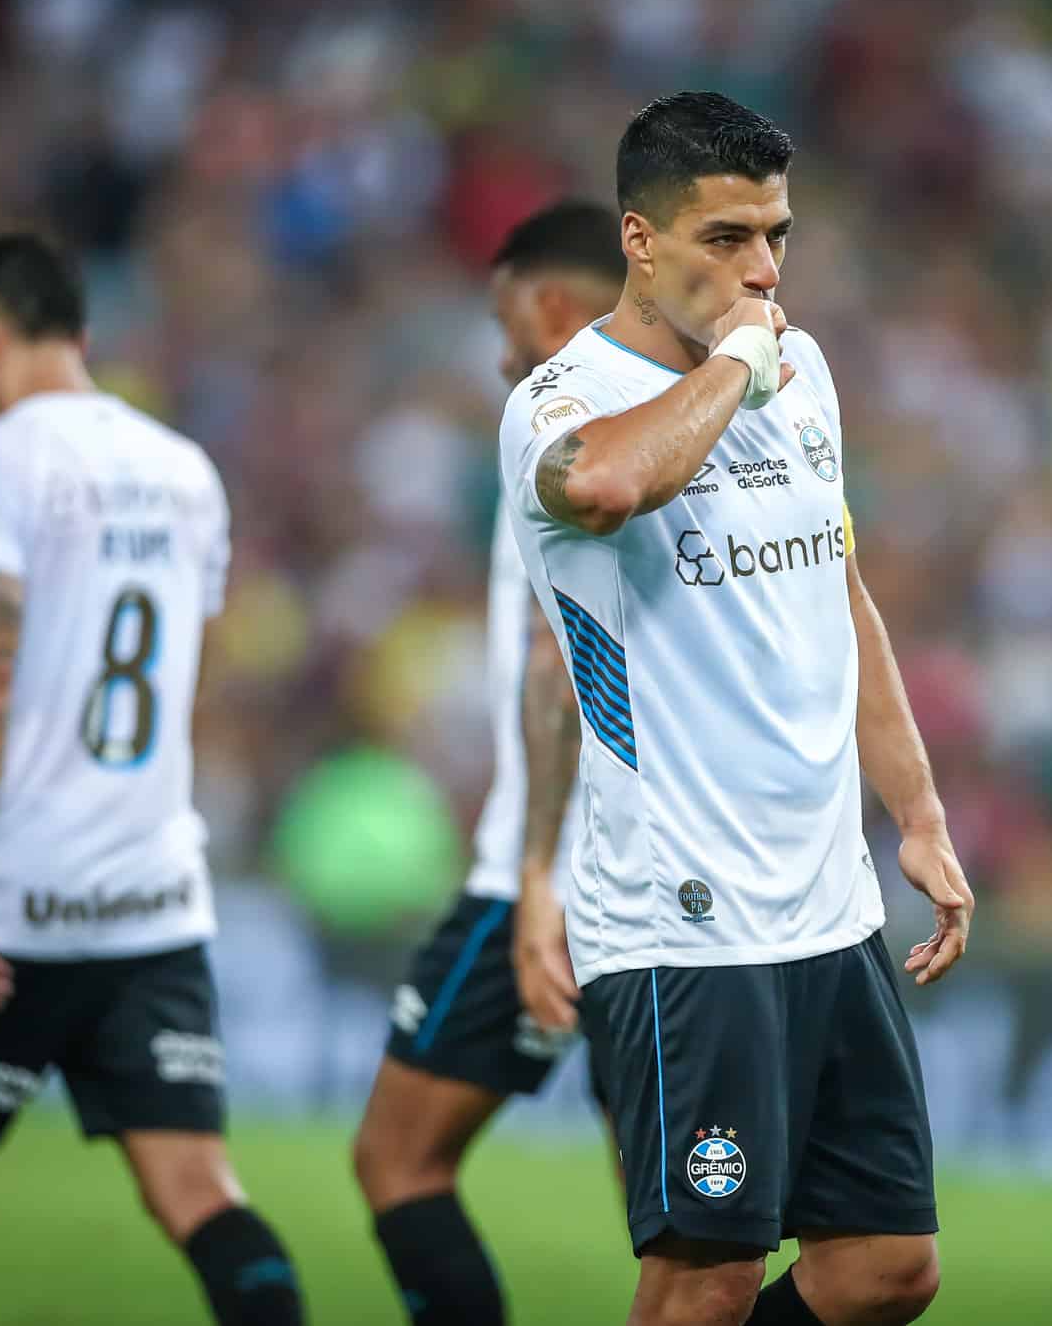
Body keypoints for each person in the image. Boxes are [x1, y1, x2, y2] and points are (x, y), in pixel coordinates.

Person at [497, 91, 976, 1326]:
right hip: (682, 919)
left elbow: (841, 589)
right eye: (726, 239)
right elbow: (604, 485)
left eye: (776, 235)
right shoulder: (559, 403)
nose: (762, 269)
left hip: (825, 904)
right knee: (701, 1282)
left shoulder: (798, 369)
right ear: (639, 241)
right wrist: (730, 368)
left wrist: (915, 810)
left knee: (885, 1267)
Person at [0, 234, 306, 1326]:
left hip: (16, 899)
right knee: (195, 1188)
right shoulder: (188, 471)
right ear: (80, 337)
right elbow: (189, 666)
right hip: (150, 893)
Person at [350, 200, 623, 1324]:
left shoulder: (555, 431)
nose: (501, 349)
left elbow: (558, 664)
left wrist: (538, 874)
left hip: (546, 879)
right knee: (687, 1224)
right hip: (675, 886)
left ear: (552, 303)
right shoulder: (685, 425)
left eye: (506, 317)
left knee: (396, 1161)